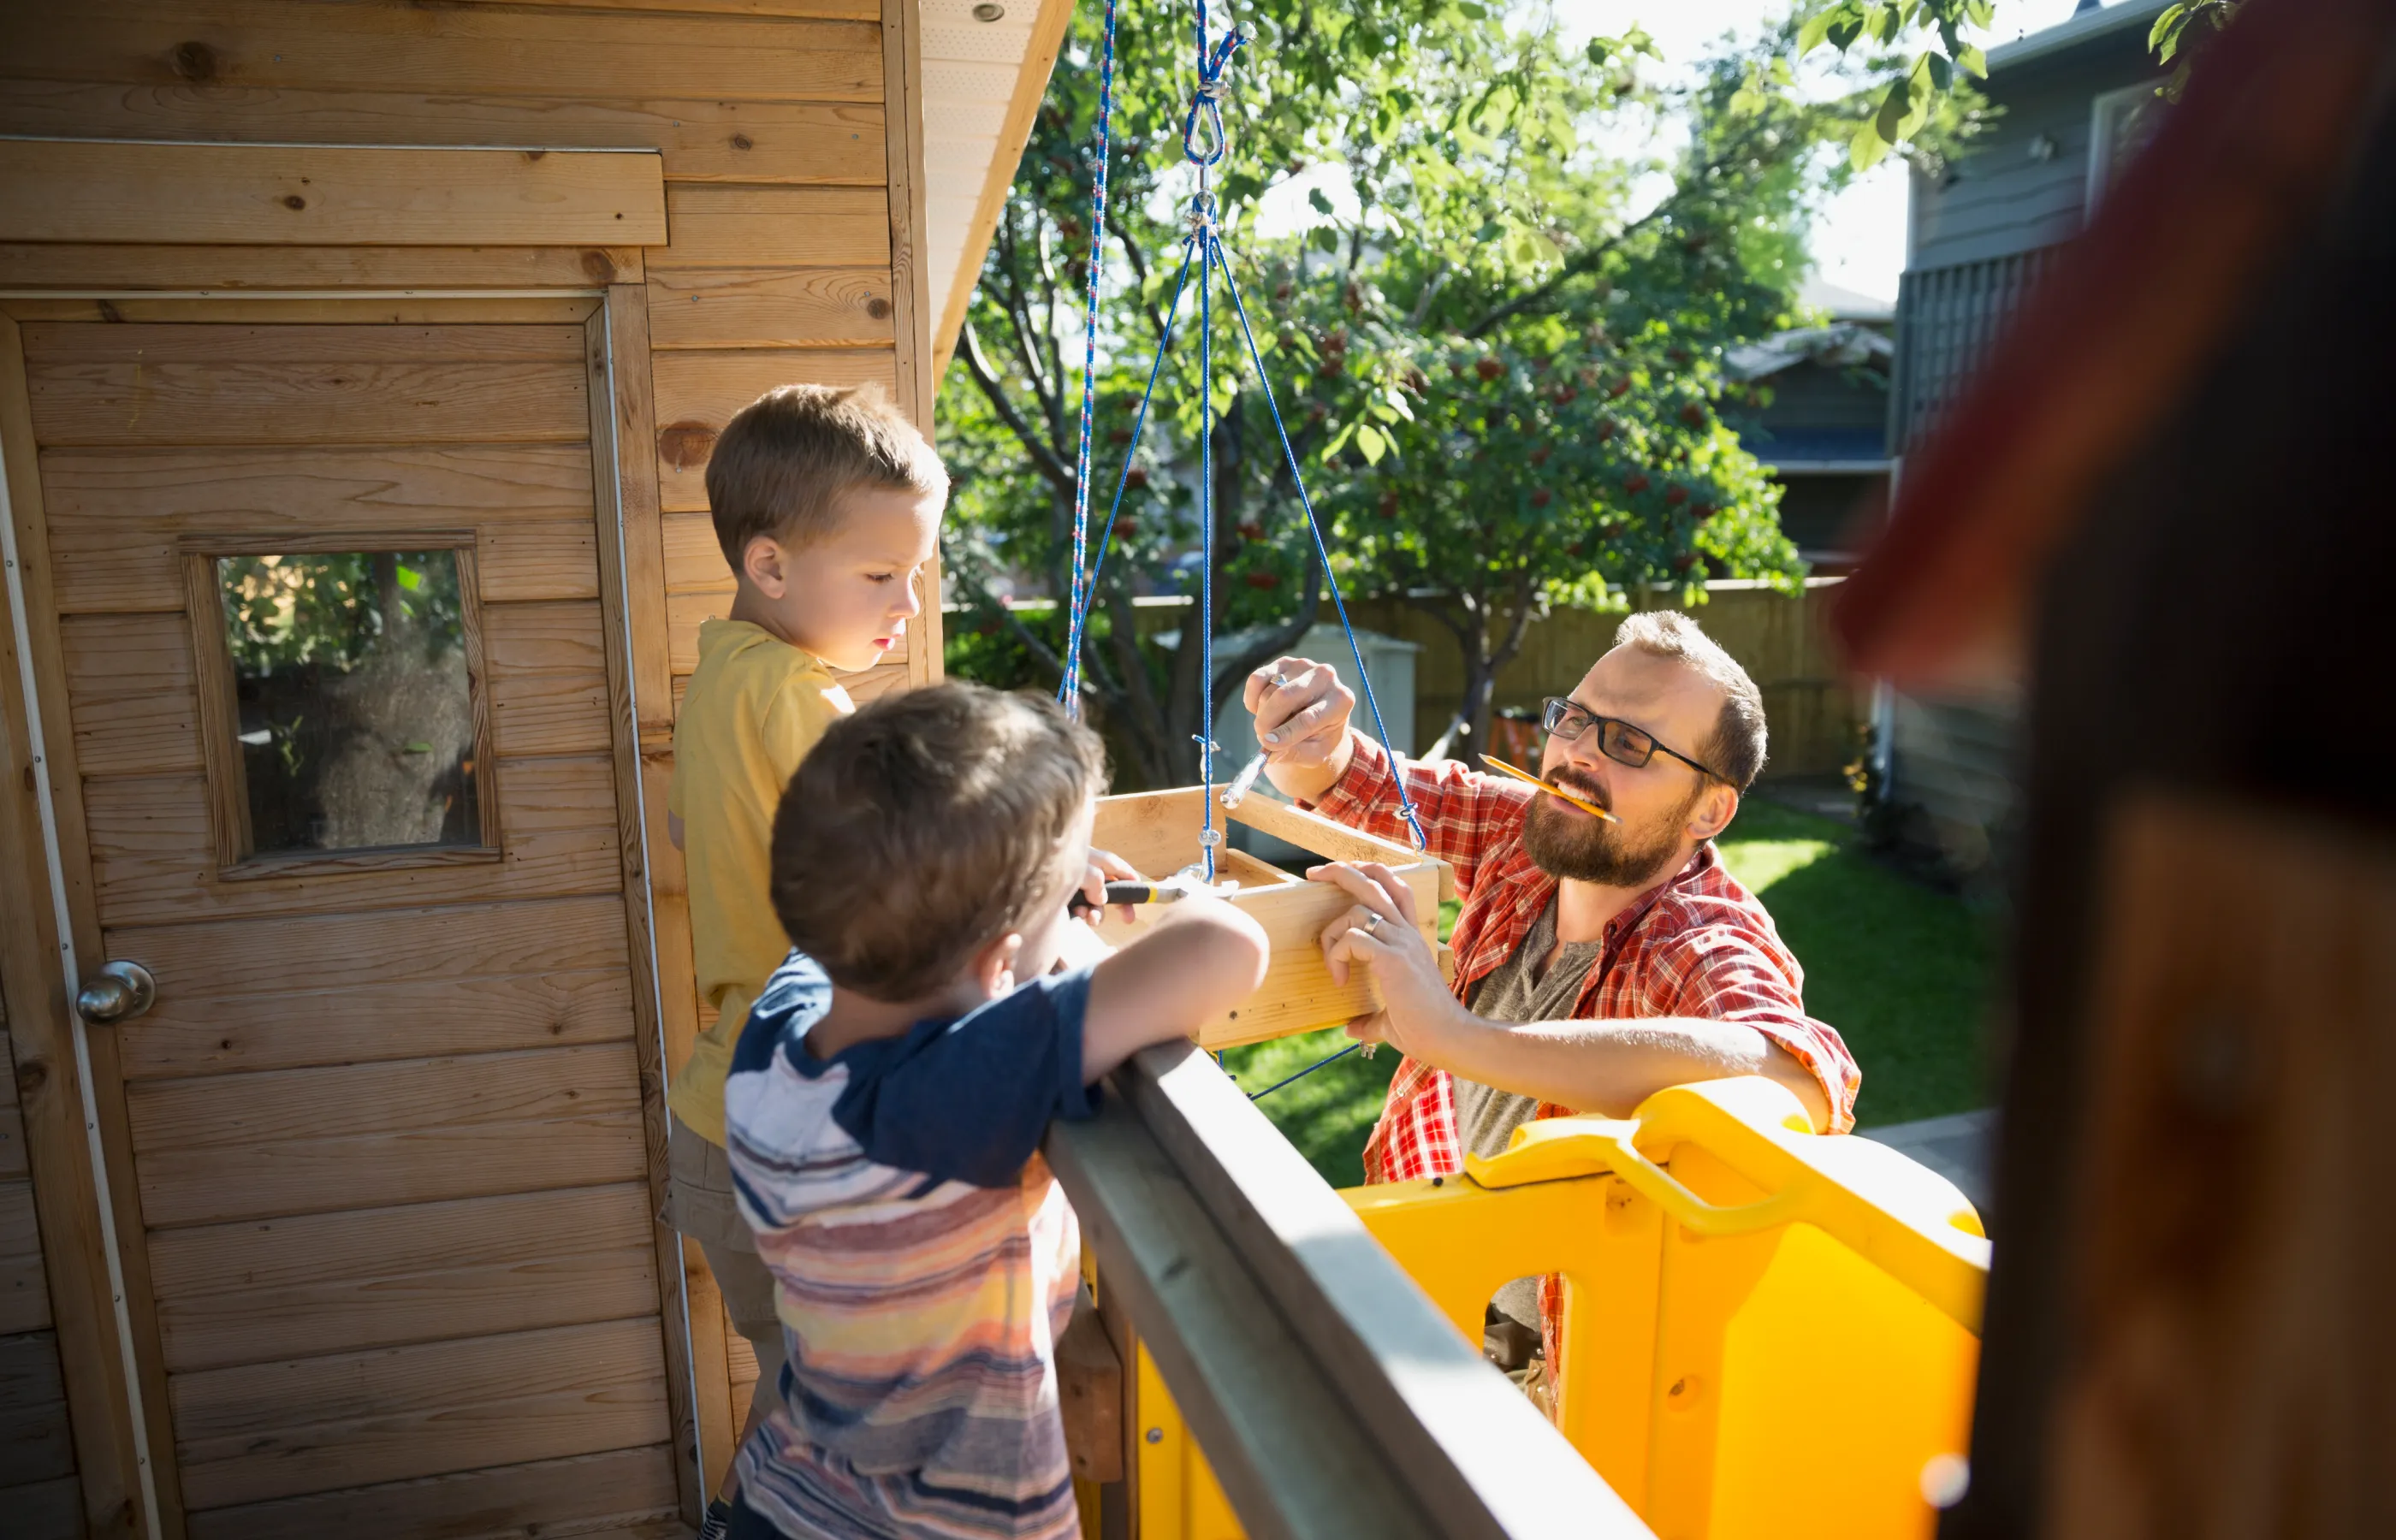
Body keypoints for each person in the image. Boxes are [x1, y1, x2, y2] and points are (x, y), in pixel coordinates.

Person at [1243, 610, 1859, 1383]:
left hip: (1567, 1388)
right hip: (1438, 1300)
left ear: (1710, 809)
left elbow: (1793, 1072)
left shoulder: (1699, 939)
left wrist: (1452, 1035)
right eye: (1574, 719)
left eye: (1629, 743)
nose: (1571, 755)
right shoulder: (1529, 835)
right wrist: (1306, 728)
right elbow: (1345, 780)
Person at [721, 682, 1269, 1540]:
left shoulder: (778, 1035)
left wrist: (1039, 903)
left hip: (788, 1499)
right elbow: (1229, 949)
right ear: (997, 969)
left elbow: (847, 933)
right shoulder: (939, 1102)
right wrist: (1184, 901)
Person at [661, 382, 946, 1538]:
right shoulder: (797, 698)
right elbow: (911, 875)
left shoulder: (724, 673)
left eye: (914, 571)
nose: (908, 601)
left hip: (721, 1117)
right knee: (828, 1442)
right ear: (771, 566)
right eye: (881, 577)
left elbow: (701, 833)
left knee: (800, 1403)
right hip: (780, 1134)